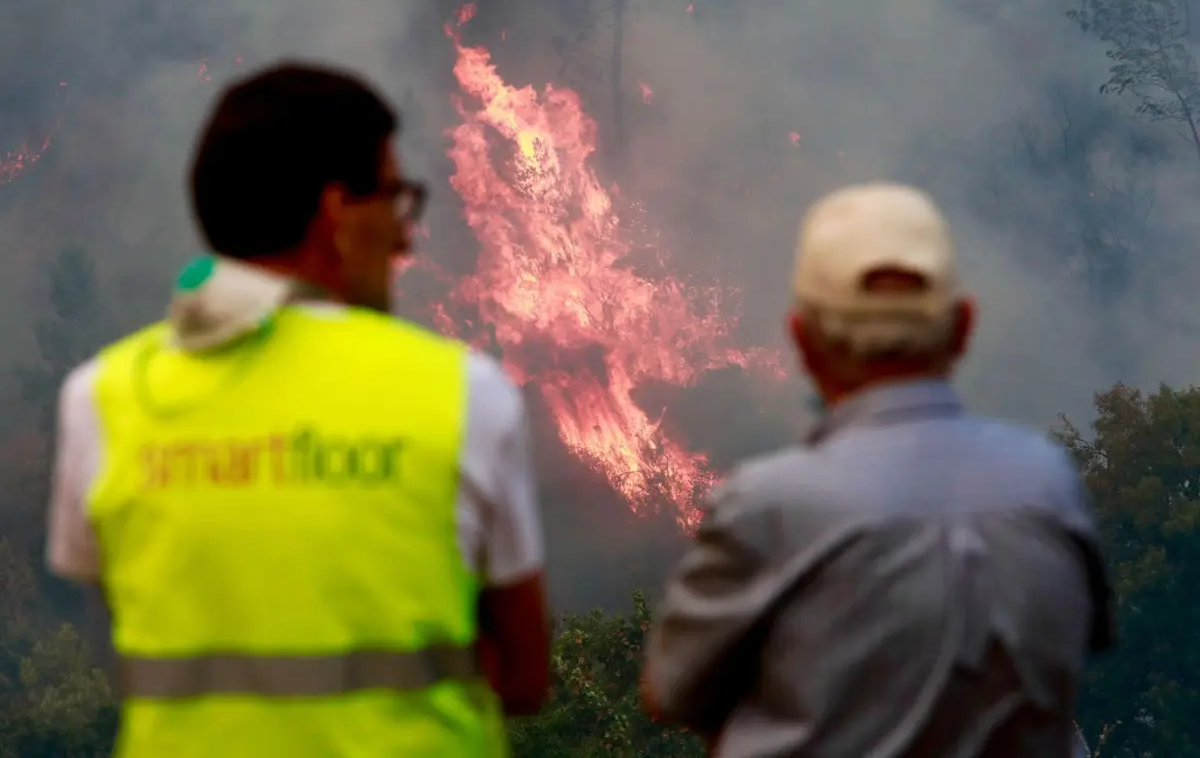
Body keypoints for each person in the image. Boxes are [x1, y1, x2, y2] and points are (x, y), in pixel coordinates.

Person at [46, 62, 550, 757]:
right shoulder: (463, 393)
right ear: (336, 211)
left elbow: (119, 628)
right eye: (394, 199)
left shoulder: (103, 398)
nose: (405, 237)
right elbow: (524, 679)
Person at [640, 182, 1114, 756]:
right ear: (963, 327)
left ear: (802, 340)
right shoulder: (1048, 483)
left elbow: (672, 692)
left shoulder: (770, 506)